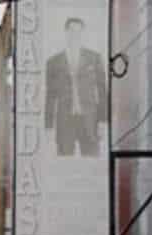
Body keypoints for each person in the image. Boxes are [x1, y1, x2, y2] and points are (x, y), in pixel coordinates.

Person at [44, 17, 107, 157]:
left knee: (91, 163)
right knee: (64, 162)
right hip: (65, 120)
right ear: (66, 33)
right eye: (72, 31)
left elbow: (102, 91)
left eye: (78, 32)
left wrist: (103, 120)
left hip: (90, 119)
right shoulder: (53, 62)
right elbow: (50, 95)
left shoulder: (94, 58)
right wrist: (48, 126)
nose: (75, 35)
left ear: (83, 34)